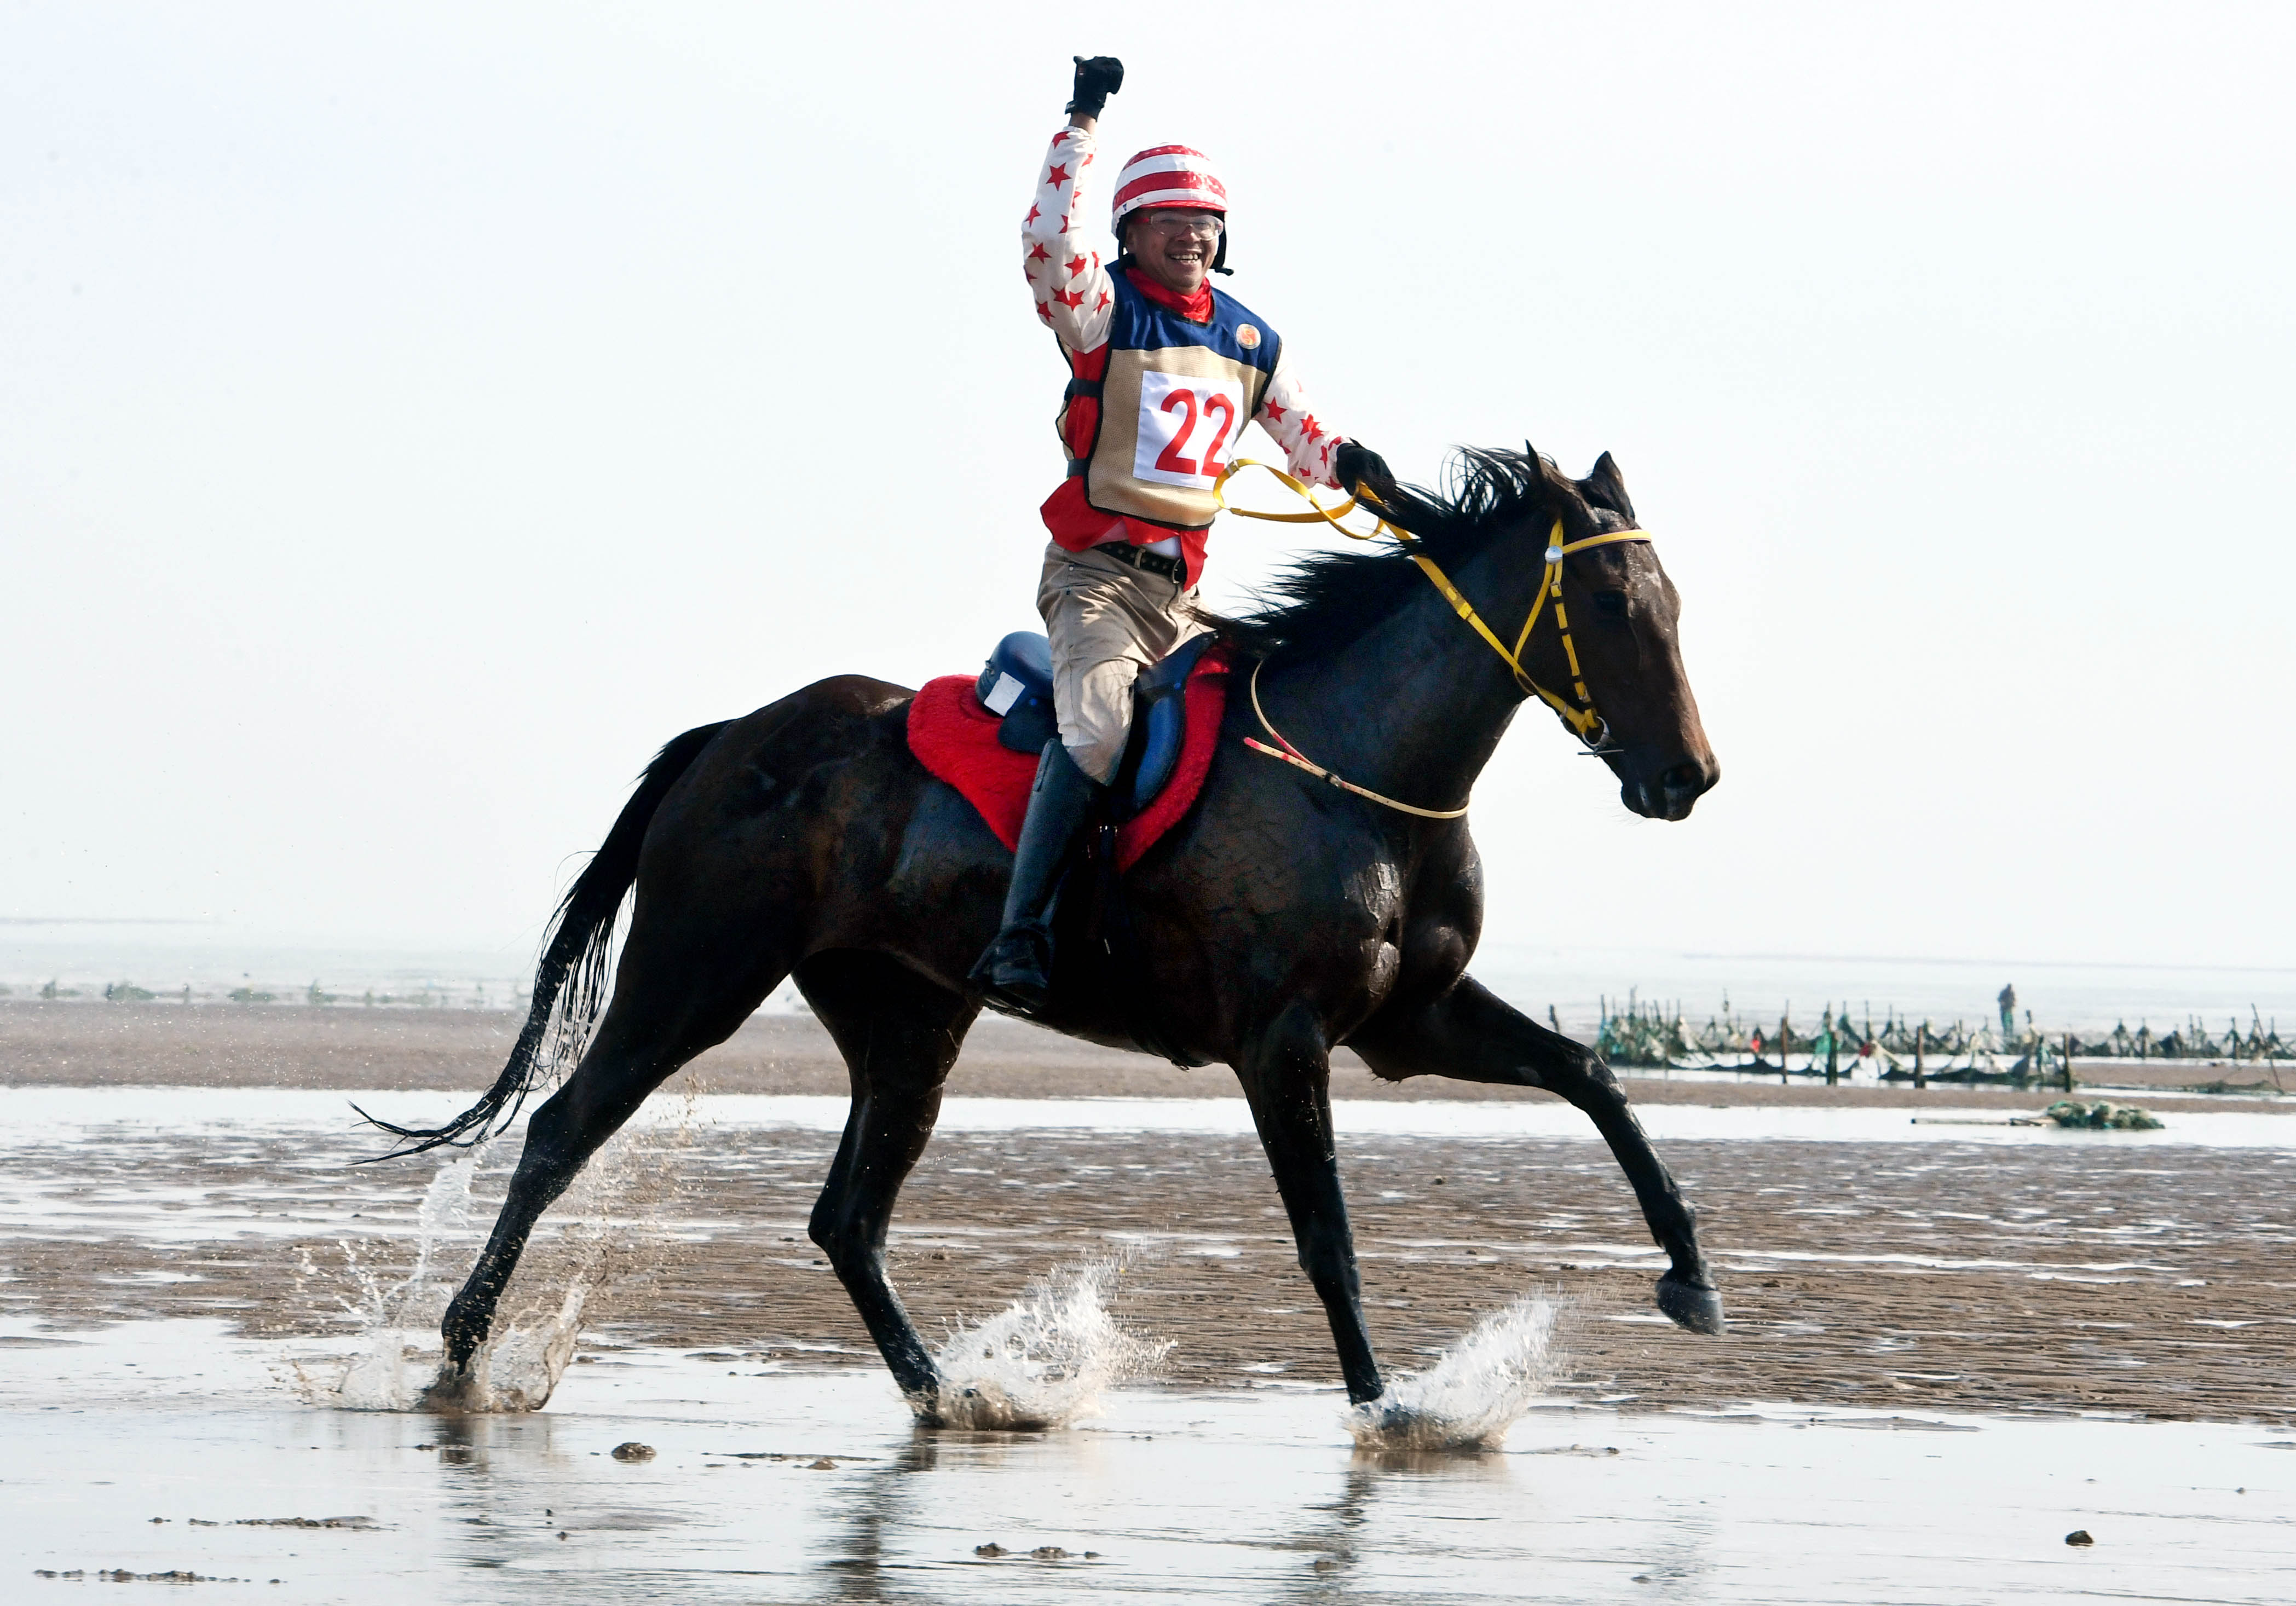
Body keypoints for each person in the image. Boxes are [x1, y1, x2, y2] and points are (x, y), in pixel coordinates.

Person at [970, 55, 1388, 1010]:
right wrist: (1080, 120)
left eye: (1205, 222)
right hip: (1093, 584)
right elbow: (1044, 239)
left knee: (1258, 733)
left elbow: (1310, 443)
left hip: (1184, 597)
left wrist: (1374, 482)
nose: (1193, 236)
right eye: (1171, 221)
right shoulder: (1101, 308)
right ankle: (1019, 940)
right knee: (1103, 724)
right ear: (1130, 232)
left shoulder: (1250, 340)